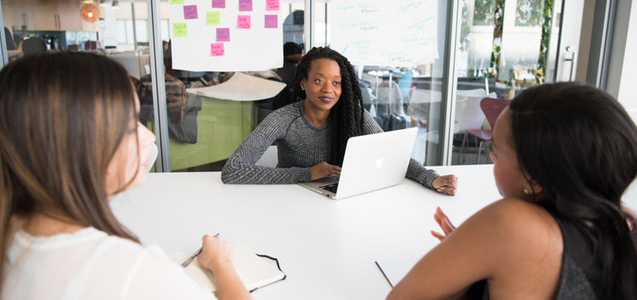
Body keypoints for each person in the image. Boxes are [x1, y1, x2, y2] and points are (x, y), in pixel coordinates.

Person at [0, 53, 251, 300]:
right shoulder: (126, 271)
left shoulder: (13, 236)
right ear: (77, 147)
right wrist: (221, 262)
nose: (149, 136)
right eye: (130, 126)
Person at [387, 82, 637, 299]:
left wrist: (468, 251)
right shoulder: (622, 222)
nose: (493, 159)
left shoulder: (510, 223)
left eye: (495, 151)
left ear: (535, 178)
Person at [221, 47, 457, 195]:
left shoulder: (353, 116)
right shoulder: (283, 119)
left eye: (336, 83)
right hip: (288, 203)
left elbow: (394, 155)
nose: (328, 90)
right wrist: (306, 174)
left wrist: (431, 178)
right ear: (303, 83)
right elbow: (233, 171)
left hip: (339, 201)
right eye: (318, 81)